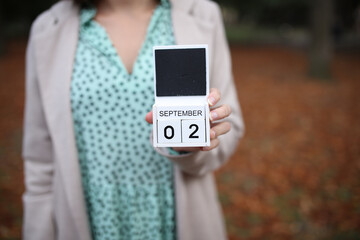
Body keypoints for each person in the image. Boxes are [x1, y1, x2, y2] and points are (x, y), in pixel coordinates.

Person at [22, 0, 245, 239]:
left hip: (174, 217)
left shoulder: (202, 14)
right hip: (90, 216)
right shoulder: (49, 28)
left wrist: (192, 146)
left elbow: (229, 126)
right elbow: (40, 159)